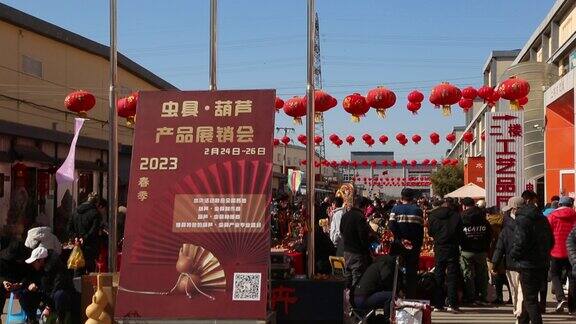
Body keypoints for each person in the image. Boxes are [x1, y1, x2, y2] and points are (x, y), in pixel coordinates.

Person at [511, 199, 554, 324]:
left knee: (530, 299)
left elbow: (520, 242)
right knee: (530, 296)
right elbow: (551, 241)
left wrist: (514, 255)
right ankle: (523, 320)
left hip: (527, 264)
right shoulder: (543, 219)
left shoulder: (522, 221)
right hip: (542, 263)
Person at [20, 246, 79, 324]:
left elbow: (56, 287)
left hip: (60, 298)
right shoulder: (39, 268)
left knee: (59, 295)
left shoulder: (58, 269)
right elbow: (29, 279)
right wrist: (29, 284)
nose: (33, 264)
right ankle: (32, 319)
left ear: (41, 260)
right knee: (25, 295)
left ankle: (61, 320)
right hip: (46, 296)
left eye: (34, 262)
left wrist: (48, 307)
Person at [428, 199, 462, 312]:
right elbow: (460, 232)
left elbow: (430, 232)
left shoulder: (432, 215)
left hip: (439, 247)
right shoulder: (456, 216)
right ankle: (453, 304)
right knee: (452, 276)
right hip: (453, 247)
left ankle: (438, 304)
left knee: (439, 275)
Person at [493, 197, 525, 318]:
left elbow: (499, 248)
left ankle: (518, 310)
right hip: (529, 263)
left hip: (511, 262)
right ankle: (521, 310)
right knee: (523, 290)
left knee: (515, 289)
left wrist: (495, 264)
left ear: (513, 209)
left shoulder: (506, 228)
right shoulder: (532, 222)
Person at [388, 188, 424, 298]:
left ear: (401, 197)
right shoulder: (418, 210)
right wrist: (417, 244)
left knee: (395, 270)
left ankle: (396, 294)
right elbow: (420, 230)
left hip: (399, 244)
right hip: (413, 245)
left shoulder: (395, 209)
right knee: (411, 272)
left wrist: (401, 238)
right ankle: (410, 296)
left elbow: (391, 225)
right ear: (413, 198)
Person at [459, 197, 492, 305]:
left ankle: (470, 297)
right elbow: (489, 234)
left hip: (466, 250)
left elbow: (457, 232)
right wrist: (485, 246)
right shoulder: (483, 217)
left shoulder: (462, 217)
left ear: (464, 206)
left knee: (468, 274)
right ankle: (482, 296)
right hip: (481, 251)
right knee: (482, 274)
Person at [547, 196, 576, 313]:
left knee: (554, 274)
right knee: (572, 277)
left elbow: (547, 232)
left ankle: (560, 298)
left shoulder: (552, 216)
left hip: (555, 250)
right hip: (572, 252)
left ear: (559, 205)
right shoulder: (574, 215)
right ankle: (573, 308)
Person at [67, 192, 106, 274]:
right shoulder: (96, 213)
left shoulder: (75, 212)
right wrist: (84, 238)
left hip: (78, 245)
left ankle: (78, 286)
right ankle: (89, 287)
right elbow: (94, 230)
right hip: (91, 246)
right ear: (96, 203)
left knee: (78, 269)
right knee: (91, 270)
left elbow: (69, 228)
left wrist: (76, 237)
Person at [340, 196, 373, 288]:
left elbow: (341, 231)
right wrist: (367, 249)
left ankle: (346, 298)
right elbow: (363, 237)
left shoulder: (345, 215)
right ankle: (354, 300)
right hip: (357, 252)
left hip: (346, 251)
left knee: (348, 277)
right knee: (357, 279)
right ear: (365, 206)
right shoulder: (360, 217)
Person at [353, 255, 396, 319]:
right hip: (363, 299)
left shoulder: (374, 265)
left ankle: (377, 318)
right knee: (391, 295)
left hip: (356, 299)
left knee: (383, 296)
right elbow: (385, 279)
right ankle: (388, 319)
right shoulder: (383, 265)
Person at [486, 206, 511, 305]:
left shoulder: (489, 224)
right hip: (506, 251)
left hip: (493, 252)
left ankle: (499, 297)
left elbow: (490, 241)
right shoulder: (505, 221)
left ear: (489, 214)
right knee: (505, 275)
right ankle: (511, 296)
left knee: (495, 274)